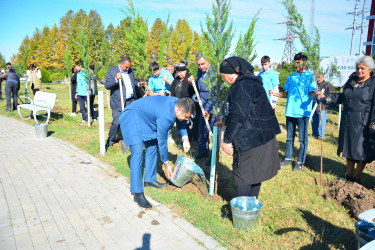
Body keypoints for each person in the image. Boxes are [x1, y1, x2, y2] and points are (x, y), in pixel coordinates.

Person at [219, 56, 280, 198]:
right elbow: (249, 109)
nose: (223, 79)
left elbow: (238, 115)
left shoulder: (241, 86)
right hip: (264, 135)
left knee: (244, 174)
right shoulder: (252, 82)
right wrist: (225, 121)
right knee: (256, 173)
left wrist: (227, 140)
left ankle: (242, 208)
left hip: (250, 139)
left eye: (223, 76)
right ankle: (251, 205)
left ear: (233, 74)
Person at [119, 96, 194, 208]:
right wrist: (166, 164)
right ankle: (138, 193)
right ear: (178, 109)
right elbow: (162, 142)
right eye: (186, 116)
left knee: (152, 146)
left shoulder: (177, 103)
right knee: (138, 152)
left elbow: (180, 121)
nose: (187, 119)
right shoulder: (166, 116)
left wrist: (185, 138)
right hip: (131, 118)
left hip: (145, 119)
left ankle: (149, 179)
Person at [318, 56, 375, 184]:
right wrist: (327, 99)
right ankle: (348, 175)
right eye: (357, 68)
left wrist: (373, 124)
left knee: (360, 152)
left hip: (364, 123)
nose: (359, 71)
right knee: (349, 148)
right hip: (348, 120)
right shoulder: (352, 80)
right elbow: (342, 97)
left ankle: (356, 178)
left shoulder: (373, 83)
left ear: (370, 70)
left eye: (362, 69)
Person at [270, 52, 317, 171]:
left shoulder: (310, 77)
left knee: (302, 139)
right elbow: (287, 94)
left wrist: (317, 95)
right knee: (289, 137)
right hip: (290, 111)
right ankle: (287, 158)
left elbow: (312, 94)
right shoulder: (291, 77)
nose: (296, 65)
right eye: (295, 63)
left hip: (303, 113)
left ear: (304, 62)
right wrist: (277, 94)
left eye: (299, 63)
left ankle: (300, 162)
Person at [104, 56, 145, 148]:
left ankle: (133, 138)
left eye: (129, 67)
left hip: (131, 100)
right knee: (117, 122)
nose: (128, 69)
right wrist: (116, 79)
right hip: (118, 101)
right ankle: (111, 138)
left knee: (133, 120)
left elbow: (132, 82)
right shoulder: (112, 72)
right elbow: (107, 85)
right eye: (126, 67)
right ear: (120, 64)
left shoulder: (130, 71)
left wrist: (138, 84)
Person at [188, 53, 216, 160]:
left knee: (214, 132)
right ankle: (203, 151)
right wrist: (192, 81)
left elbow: (216, 94)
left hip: (213, 107)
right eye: (198, 65)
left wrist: (209, 111)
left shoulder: (214, 73)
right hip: (202, 105)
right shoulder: (200, 71)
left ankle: (213, 157)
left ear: (208, 60)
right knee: (202, 129)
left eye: (203, 64)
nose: (201, 67)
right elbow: (199, 87)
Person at [311, 74, 333, 139]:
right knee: (314, 119)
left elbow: (330, 97)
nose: (318, 79)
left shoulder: (327, 85)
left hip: (322, 105)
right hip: (314, 104)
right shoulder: (314, 84)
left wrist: (322, 95)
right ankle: (314, 133)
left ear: (323, 77)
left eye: (319, 77)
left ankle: (321, 136)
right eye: (317, 77)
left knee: (321, 121)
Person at [74, 61, 97, 125]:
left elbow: (90, 81)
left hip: (86, 92)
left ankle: (94, 117)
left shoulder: (87, 72)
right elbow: (77, 83)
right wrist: (76, 92)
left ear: (80, 66)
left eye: (76, 66)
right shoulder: (78, 74)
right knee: (82, 106)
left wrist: (88, 89)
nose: (75, 67)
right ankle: (84, 119)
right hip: (80, 92)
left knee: (90, 105)